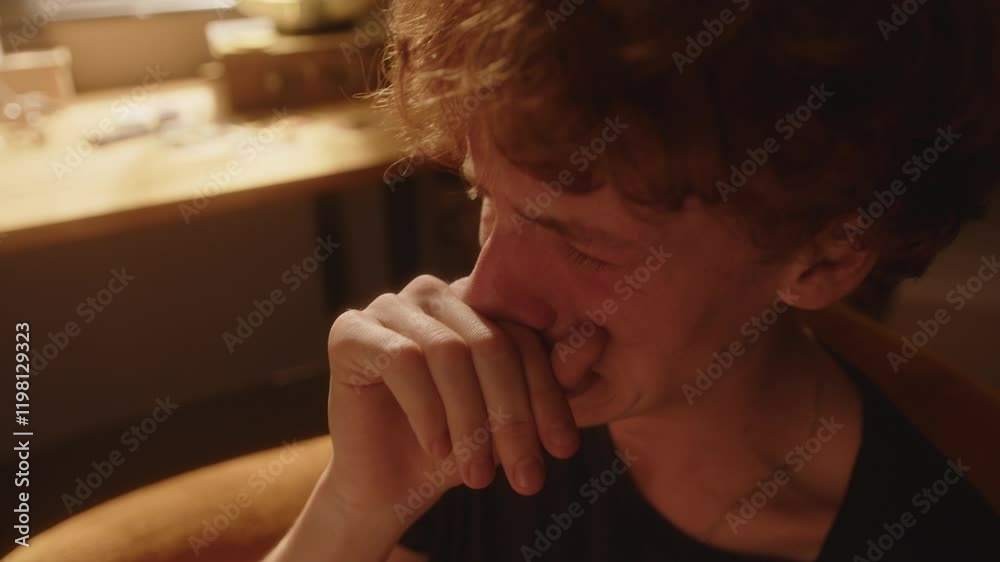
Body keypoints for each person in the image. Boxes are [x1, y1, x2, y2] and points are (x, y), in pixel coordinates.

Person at [264, 1, 1000, 560]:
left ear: (826, 257)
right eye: (485, 196)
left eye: (586, 247)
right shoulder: (477, 432)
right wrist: (349, 514)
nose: (483, 294)